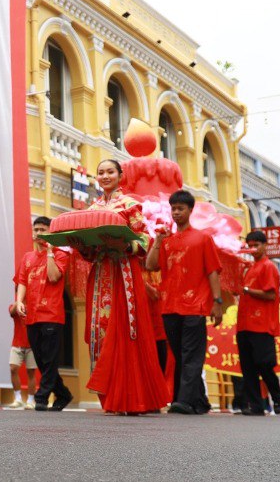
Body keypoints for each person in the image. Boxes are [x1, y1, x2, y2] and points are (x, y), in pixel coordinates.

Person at [75, 160, 168, 415]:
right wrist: (81, 245)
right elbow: (91, 252)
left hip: (124, 274)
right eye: (101, 172)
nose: (105, 176)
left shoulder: (129, 205)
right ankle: (111, 398)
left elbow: (144, 240)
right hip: (100, 274)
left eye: (110, 172)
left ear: (120, 175)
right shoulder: (92, 209)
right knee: (101, 335)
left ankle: (132, 397)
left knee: (125, 332)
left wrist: (124, 246)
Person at [146, 189, 224, 415]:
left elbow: (212, 272)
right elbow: (151, 265)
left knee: (191, 354)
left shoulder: (203, 238)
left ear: (190, 210)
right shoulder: (167, 240)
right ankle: (200, 401)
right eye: (174, 209)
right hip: (170, 304)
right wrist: (158, 241)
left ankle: (184, 401)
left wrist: (217, 301)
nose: (176, 212)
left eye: (181, 208)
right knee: (181, 354)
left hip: (195, 305)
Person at [13, 215, 73, 411]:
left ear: (51, 233)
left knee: (49, 360)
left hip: (51, 315)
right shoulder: (27, 258)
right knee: (42, 360)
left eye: (43, 230)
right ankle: (63, 395)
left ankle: (41, 397)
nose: (39, 233)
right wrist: (19, 301)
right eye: (36, 229)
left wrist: (49, 252)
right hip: (32, 315)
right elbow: (22, 281)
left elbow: (54, 277)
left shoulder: (61, 255)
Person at [234, 231, 280, 416]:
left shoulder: (268, 266)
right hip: (245, 323)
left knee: (264, 364)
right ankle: (256, 405)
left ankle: (279, 399)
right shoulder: (249, 267)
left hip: (262, 324)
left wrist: (246, 290)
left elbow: (270, 294)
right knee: (247, 367)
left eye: (256, 245)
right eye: (250, 245)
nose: (253, 249)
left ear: (265, 245)